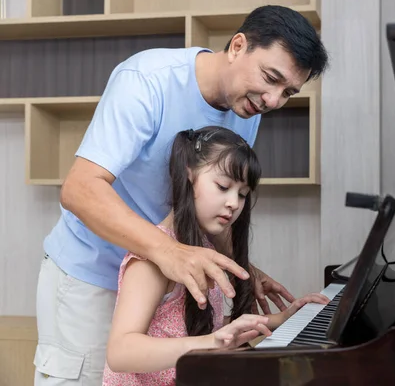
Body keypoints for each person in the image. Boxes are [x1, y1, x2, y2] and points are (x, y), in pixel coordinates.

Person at [34, 5, 329, 385]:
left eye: (288, 92)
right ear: (238, 46)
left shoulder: (249, 107)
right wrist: (167, 251)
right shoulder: (147, 80)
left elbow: (202, 203)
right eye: (270, 78)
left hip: (162, 280)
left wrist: (237, 267)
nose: (273, 100)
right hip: (93, 274)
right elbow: (80, 188)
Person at [101, 126, 329, 385]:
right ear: (189, 173)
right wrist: (212, 343)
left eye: (242, 194)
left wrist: (282, 319)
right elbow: (120, 352)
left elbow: (189, 329)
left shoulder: (204, 249)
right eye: (223, 187)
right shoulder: (154, 259)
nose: (234, 203)